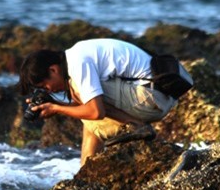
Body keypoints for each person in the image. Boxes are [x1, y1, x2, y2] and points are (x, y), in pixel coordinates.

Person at [19, 38, 179, 165]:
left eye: (45, 85)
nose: (49, 89)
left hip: (151, 97)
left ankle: (136, 125)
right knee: (89, 119)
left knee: (86, 100)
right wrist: (56, 104)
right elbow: (90, 111)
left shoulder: (77, 63)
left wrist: (56, 108)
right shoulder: (75, 55)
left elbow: (96, 111)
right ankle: (84, 176)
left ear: (53, 69)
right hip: (155, 95)